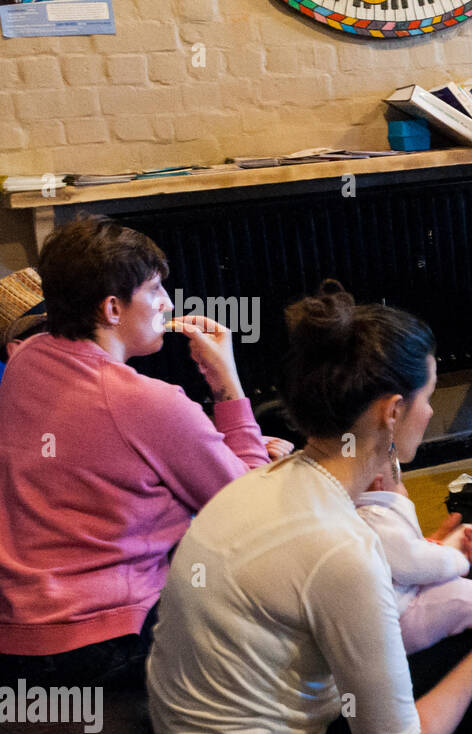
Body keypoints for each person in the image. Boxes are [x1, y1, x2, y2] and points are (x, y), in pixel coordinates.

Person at [147, 281, 472, 734]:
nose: (432, 412)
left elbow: (350, 595)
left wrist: (430, 558)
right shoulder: (343, 550)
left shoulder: (272, 481)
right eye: (428, 396)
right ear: (391, 410)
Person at [0, 217, 277, 688]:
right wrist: (227, 385)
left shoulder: (26, 359)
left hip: (17, 634)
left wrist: (200, 446)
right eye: (154, 290)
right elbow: (250, 510)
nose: (168, 303)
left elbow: (107, 450)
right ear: (112, 307)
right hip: (104, 642)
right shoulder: (151, 401)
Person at [357, 465, 472, 652]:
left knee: (458, 577)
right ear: (380, 485)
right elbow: (414, 563)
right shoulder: (377, 515)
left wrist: (439, 543)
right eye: (400, 481)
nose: (406, 490)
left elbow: (402, 556)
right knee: (455, 593)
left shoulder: (354, 514)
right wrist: (459, 561)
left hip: (398, 610)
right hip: (403, 618)